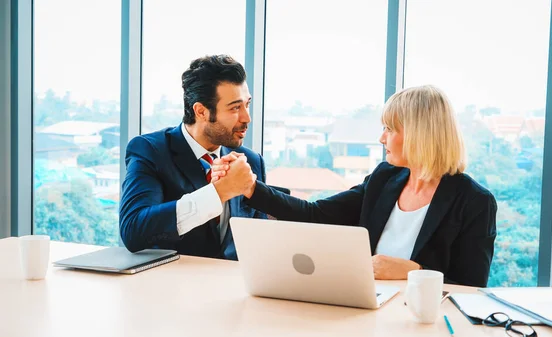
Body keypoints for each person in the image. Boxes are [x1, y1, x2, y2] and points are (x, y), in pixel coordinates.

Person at [212, 85, 497, 287]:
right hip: (370, 307)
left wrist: (416, 271)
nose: (382, 138)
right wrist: (251, 187)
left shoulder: (474, 202)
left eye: (390, 129)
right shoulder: (385, 178)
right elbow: (316, 214)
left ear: (419, 135)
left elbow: (472, 288)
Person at [119, 55, 265, 260]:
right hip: (171, 287)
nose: (246, 118)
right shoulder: (151, 151)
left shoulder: (251, 162)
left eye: (247, 105)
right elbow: (133, 230)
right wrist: (219, 192)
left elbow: (258, 241)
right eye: (235, 108)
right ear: (201, 111)